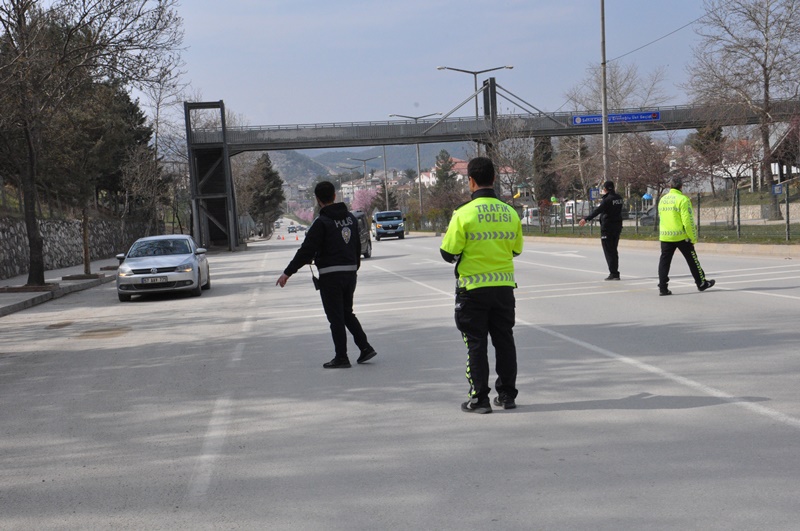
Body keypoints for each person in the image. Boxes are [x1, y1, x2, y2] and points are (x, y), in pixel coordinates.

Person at [440, 157, 524, 414]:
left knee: (476, 344)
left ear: (471, 181)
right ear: (494, 179)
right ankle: (507, 395)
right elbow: (516, 250)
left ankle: (479, 399)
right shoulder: (510, 212)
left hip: (472, 291)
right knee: (504, 341)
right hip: (503, 289)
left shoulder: (463, 213)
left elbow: (448, 252)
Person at [276, 181, 377, 368]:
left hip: (330, 276)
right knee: (347, 313)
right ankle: (365, 347)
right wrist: (354, 267)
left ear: (317, 199)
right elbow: (357, 246)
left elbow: (306, 251)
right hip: (350, 273)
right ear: (334, 196)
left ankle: (342, 357)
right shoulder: (351, 219)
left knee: (336, 317)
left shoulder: (321, 222)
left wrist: (287, 273)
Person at [657, 176, 715, 296]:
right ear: (681, 186)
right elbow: (688, 221)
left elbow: (661, 216)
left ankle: (663, 287)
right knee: (692, 260)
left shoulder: (663, 199)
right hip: (681, 236)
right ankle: (701, 283)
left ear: (670, 186)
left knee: (664, 262)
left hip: (665, 236)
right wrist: (693, 237)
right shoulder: (683, 199)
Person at [579, 180, 624, 280]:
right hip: (617, 227)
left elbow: (597, 211)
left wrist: (586, 219)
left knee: (609, 251)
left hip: (607, 228)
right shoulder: (619, 198)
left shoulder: (607, 199)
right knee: (613, 250)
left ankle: (614, 273)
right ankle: (615, 272)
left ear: (605, 189)